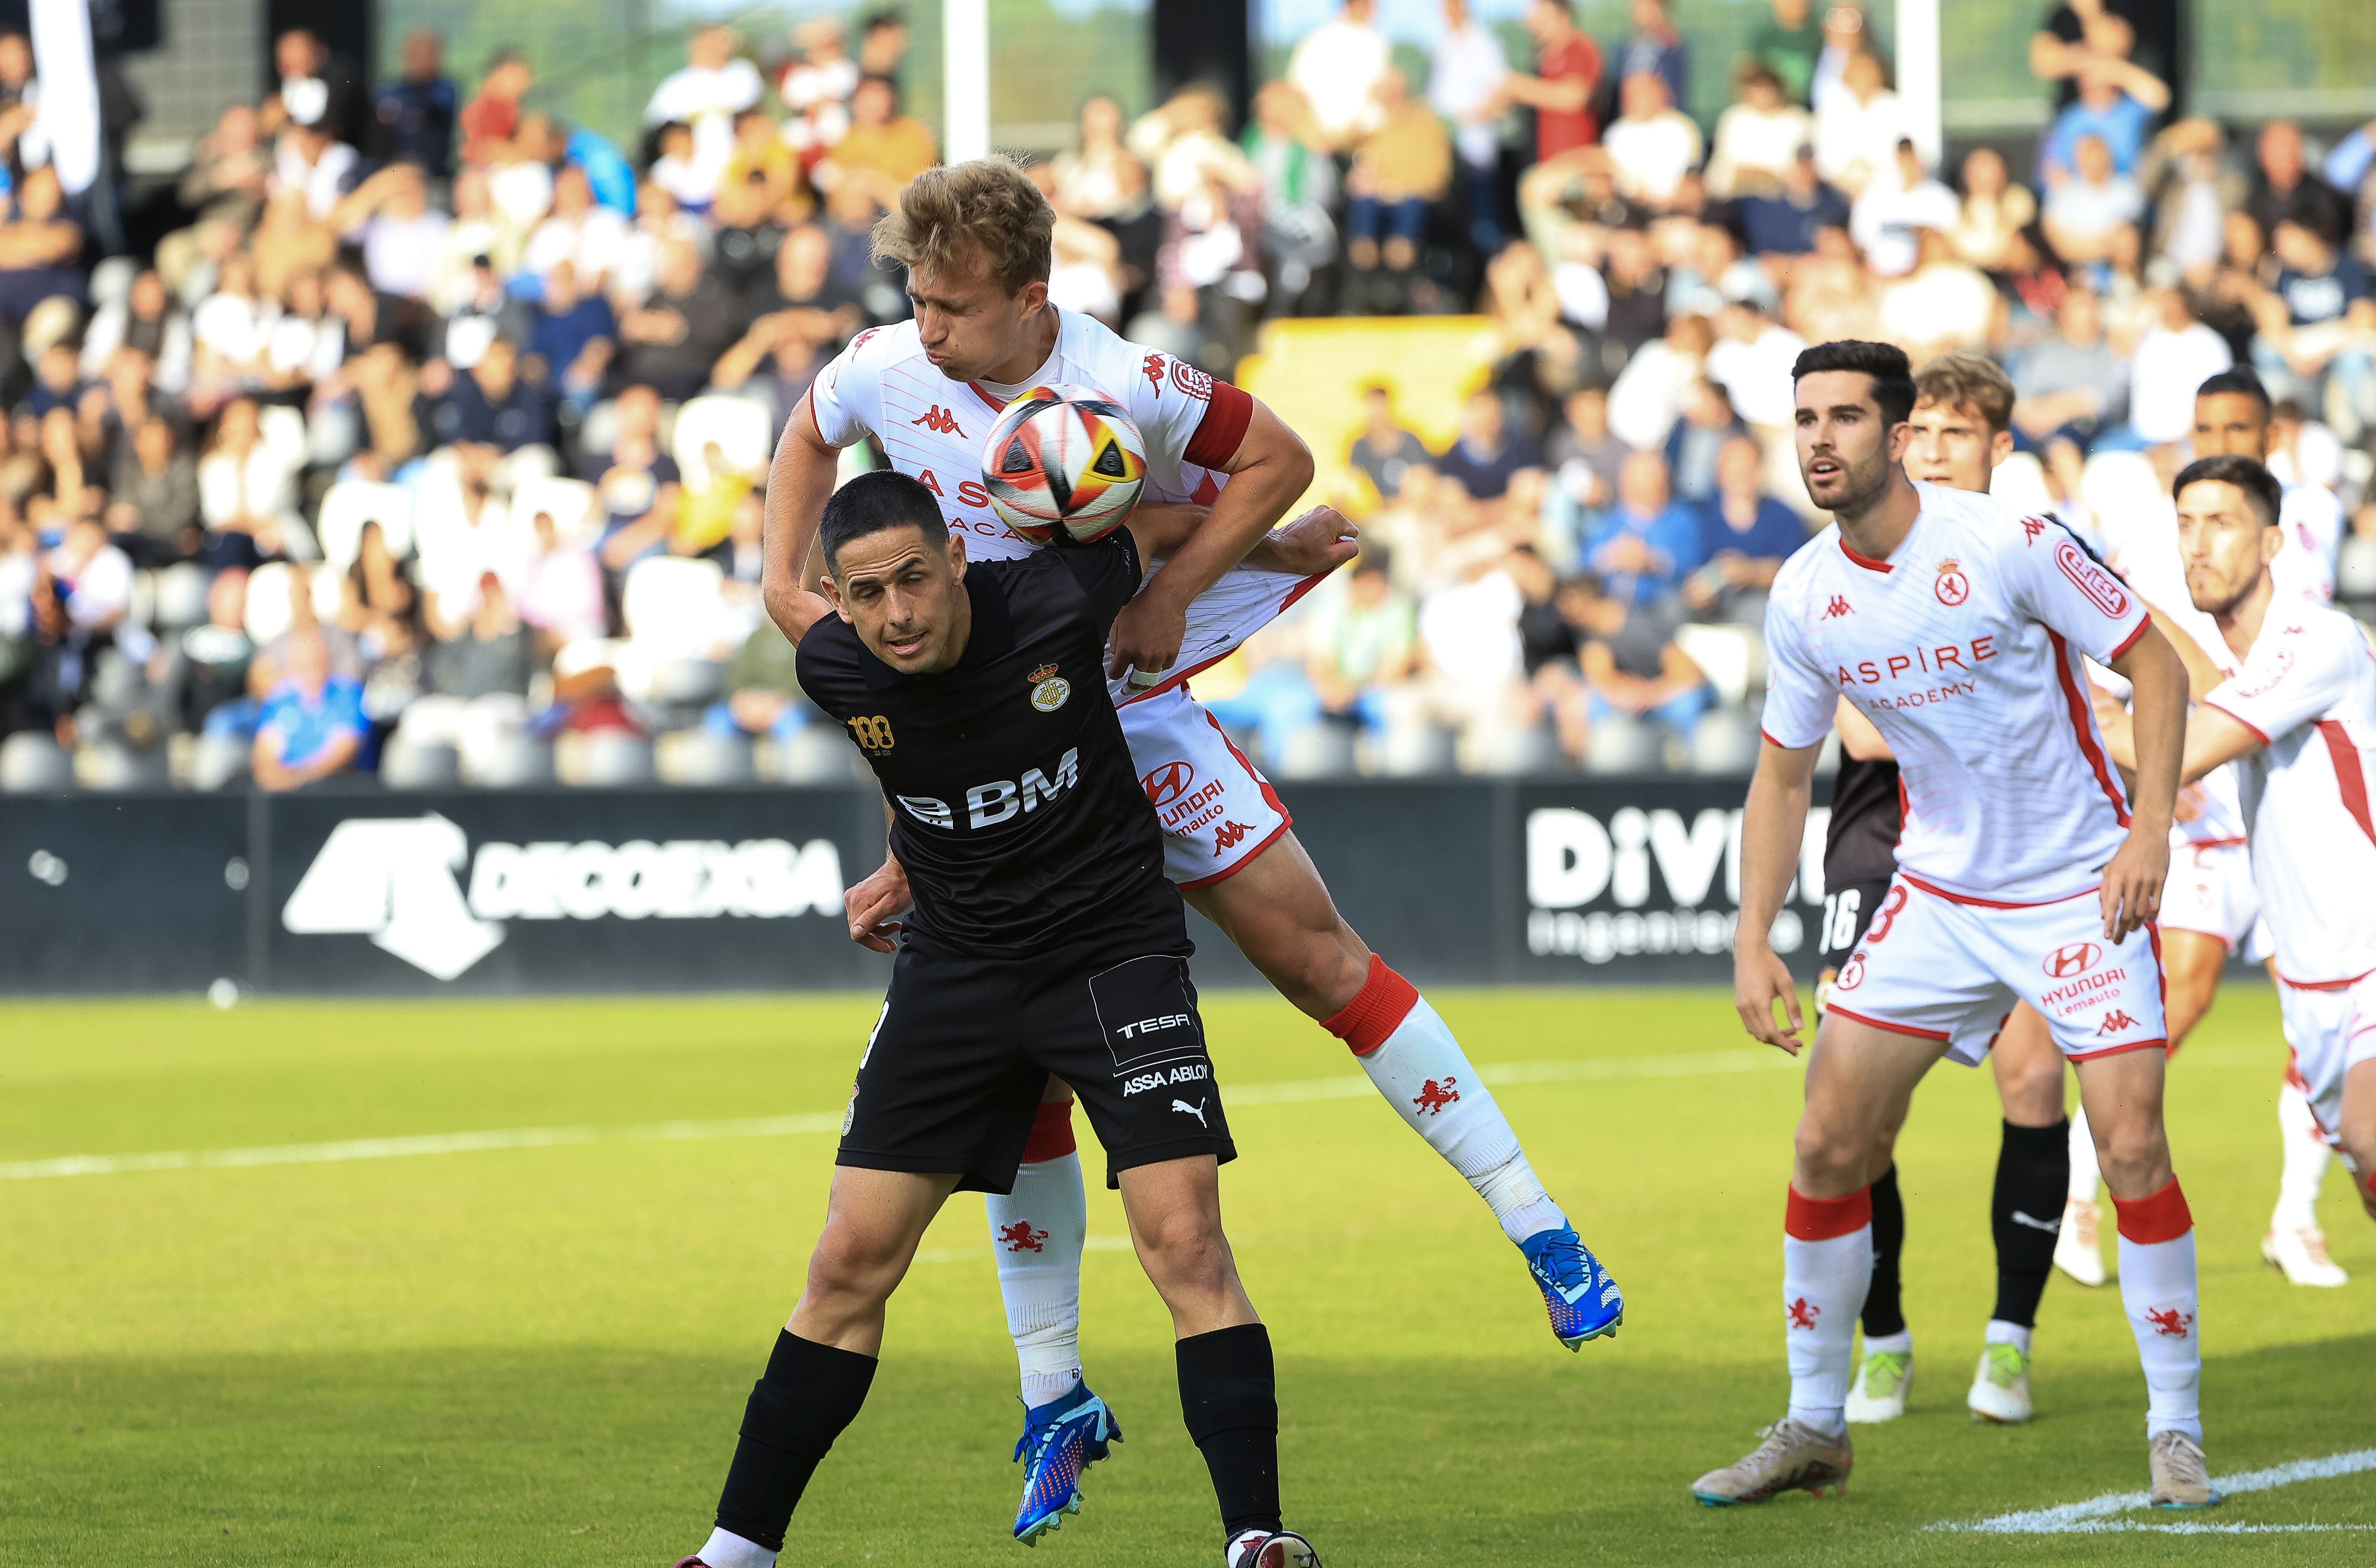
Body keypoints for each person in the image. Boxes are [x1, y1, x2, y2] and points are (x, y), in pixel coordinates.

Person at [766, 158, 1622, 1541]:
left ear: (1031, 300)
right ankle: (1055, 1394)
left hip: (1128, 707)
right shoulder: (883, 367)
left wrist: (1182, 581)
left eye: (954, 308)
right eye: (915, 301)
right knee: (1019, 1042)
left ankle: (1537, 1224)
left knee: (1317, 957)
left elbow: (1276, 455)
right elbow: (811, 431)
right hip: (977, 738)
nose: (925, 329)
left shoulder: (1123, 383)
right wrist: (778, 569)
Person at [671, 470, 1322, 1568]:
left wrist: (1278, 547)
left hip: (1111, 954)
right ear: (838, 597)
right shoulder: (832, 663)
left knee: (1184, 1240)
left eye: (916, 579)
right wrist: (902, 857)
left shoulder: (1053, 598)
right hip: (956, 973)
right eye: (868, 593)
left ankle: (1256, 1535)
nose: (898, 613)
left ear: (959, 560)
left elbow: (1163, 524)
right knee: (847, 1263)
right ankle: (734, 1554)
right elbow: (911, 754)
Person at [1697, 338, 2212, 1508]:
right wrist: (1750, 935)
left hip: (2080, 884)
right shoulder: (1803, 590)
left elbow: (2158, 668)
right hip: (1937, 896)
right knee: (1829, 1141)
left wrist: (2147, 833)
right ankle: (1817, 1423)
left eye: (1843, 417)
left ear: (1896, 432)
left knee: (2129, 1145)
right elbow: (1781, 778)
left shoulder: (2008, 541)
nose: (1818, 439)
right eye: (1804, 418)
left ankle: (2174, 1428)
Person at [1812, 353, 2093, 1428]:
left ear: (1997, 450)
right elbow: (1855, 726)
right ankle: (1882, 1341)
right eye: (1917, 433)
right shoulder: (1852, 553)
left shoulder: (2031, 553)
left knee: (2029, 1083)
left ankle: (2009, 1344)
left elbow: (2124, 671)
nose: (1930, 452)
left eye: (1954, 437)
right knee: (1856, 1122)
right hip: (1884, 845)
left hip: (2023, 849)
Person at [2057, 366, 2352, 1291]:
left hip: (2309, 857)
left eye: (2236, 424)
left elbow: (2211, 709)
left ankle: (2294, 1217)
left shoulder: (2312, 571)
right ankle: (2079, 1200)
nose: (2217, 435)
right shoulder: (2159, 554)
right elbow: (2145, 685)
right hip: (2214, 831)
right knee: (2171, 1013)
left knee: (2310, 1047)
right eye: (2203, 424)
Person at [251, 627, 366, 791]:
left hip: (334, 790)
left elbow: (343, 754)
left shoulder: (347, 695)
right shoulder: (280, 699)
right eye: (303, 665)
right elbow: (265, 755)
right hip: (284, 793)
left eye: (316, 663)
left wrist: (300, 779)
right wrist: (279, 780)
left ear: (327, 661)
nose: (311, 672)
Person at [1498, 0, 1602, 164]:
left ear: (1563, 17)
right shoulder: (1545, 57)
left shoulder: (1581, 47)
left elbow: (1576, 96)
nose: (1537, 27)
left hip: (1577, 161)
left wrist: (1522, 87)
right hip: (1549, 160)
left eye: (1544, 20)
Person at [1285, 0, 1391, 152]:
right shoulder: (1317, 41)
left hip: (1358, 140)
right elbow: (1296, 93)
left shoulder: (1377, 43)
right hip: (1319, 142)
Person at [371, 30, 457, 178]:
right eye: (414, 54)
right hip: (391, 169)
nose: (418, 60)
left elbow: (436, 108)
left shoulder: (445, 91)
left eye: (425, 53)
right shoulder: (390, 92)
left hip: (429, 174)